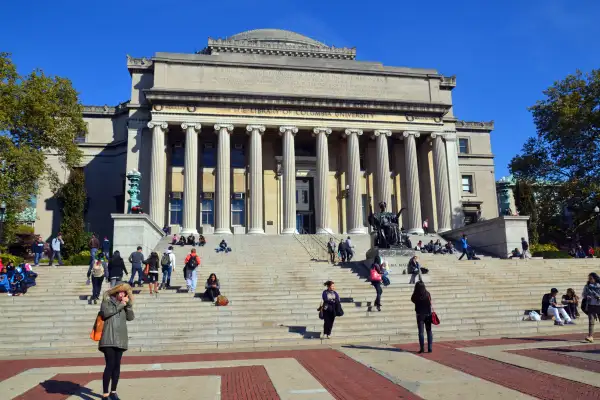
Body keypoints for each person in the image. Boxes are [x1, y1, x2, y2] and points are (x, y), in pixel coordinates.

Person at [99, 281, 134, 400]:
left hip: (121, 339)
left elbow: (131, 318)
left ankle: (113, 392)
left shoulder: (124, 305)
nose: (122, 294)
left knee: (117, 366)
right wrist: (121, 305)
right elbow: (105, 314)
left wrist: (128, 305)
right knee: (110, 364)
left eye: (124, 292)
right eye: (120, 292)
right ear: (116, 292)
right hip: (108, 338)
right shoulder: (107, 301)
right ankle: (105, 394)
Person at [411, 281, 433, 353]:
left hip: (420, 315)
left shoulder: (415, 295)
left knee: (421, 332)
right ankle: (430, 348)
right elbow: (430, 302)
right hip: (428, 314)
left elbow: (413, 300)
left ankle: (422, 348)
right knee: (429, 331)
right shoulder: (427, 294)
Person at [582, 272, 600, 343]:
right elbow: (583, 294)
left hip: (599, 305)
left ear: (595, 278)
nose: (590, 280)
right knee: (591, 322)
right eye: (589, 278)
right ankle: (590, 336)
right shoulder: (587, 286)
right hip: (590, 305)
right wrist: (586, 296)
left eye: (591, 278)